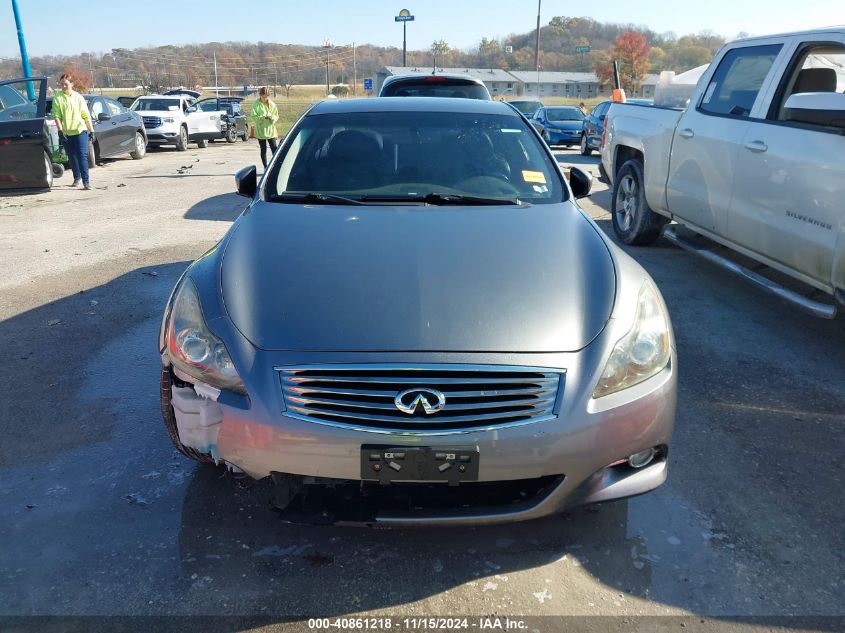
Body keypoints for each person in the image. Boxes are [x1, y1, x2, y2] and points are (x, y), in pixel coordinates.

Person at [52, 73, 95, 189]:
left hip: (80, 130)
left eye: (66, 84)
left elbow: (86, 115)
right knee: (72, 156)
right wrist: (60, 131)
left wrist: (91, 130)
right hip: (67, 132)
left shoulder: (78, 97)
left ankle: (86, 181)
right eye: (61, 84)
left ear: (72, 84)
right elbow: (57, 116)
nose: (63, 86)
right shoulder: (58, 98)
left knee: (82, 155)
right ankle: (77, 177)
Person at [250, 87, 279, 169]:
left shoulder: (272, 104)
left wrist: (271, 117)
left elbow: (276, 116)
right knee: (263, 149)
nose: (265, 98)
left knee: (274, 148)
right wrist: (261, 118)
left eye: (267, 96)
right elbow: (253, 116)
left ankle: (276, 166)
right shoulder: (255, 104)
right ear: (260, 95)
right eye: (263, 96)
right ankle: (265, 167)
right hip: (261, 131)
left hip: (270, 130)